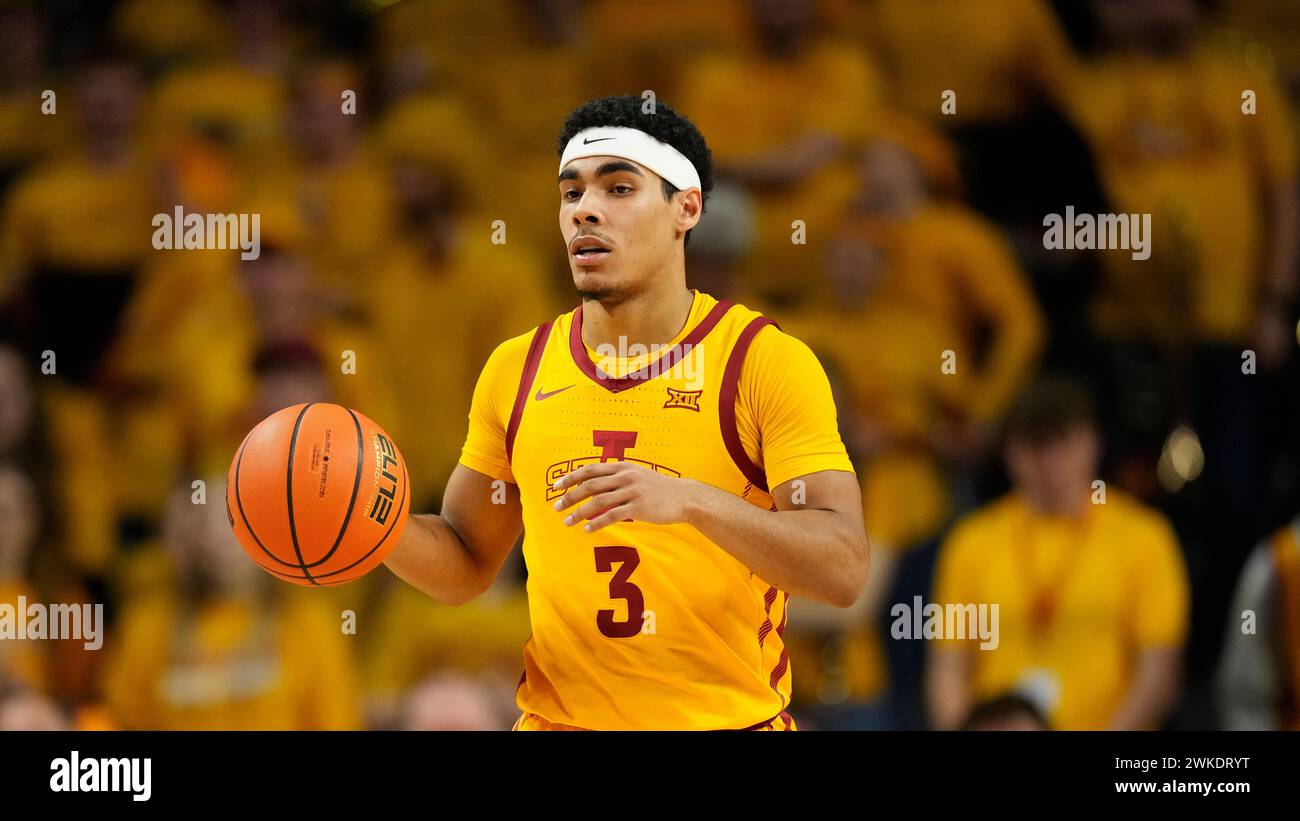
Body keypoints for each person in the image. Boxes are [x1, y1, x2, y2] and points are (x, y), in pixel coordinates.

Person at [383, 95, 869, 731]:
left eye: (618, 188)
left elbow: (842, 569)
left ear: (686, 208)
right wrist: (375, 528)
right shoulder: (515, 368)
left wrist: (691, 501)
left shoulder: (764, 361)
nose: (586, 209)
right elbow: (468, 563)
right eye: (571, 192)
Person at [928, 378, 1189, 730]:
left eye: (1062, 443)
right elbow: (948, 667)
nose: (1048, 463)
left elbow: (1158, 673)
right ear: (1009, 453)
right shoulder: (972, 542)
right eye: (1033, 447)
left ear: (1093, 443)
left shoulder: (1144, 538)